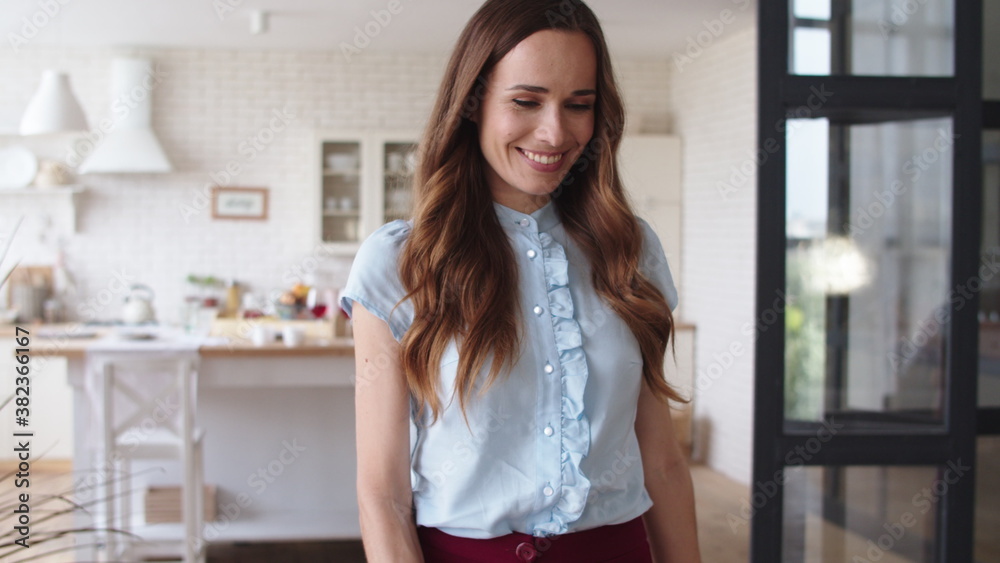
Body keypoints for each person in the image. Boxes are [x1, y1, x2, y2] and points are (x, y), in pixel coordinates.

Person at [339, 0, 701, 561]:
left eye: (579, 105)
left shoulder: (630, 248)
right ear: (473, 103)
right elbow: (381, 496)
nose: (555, 132)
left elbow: (663, 462)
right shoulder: (399, 262)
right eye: (526, 101)